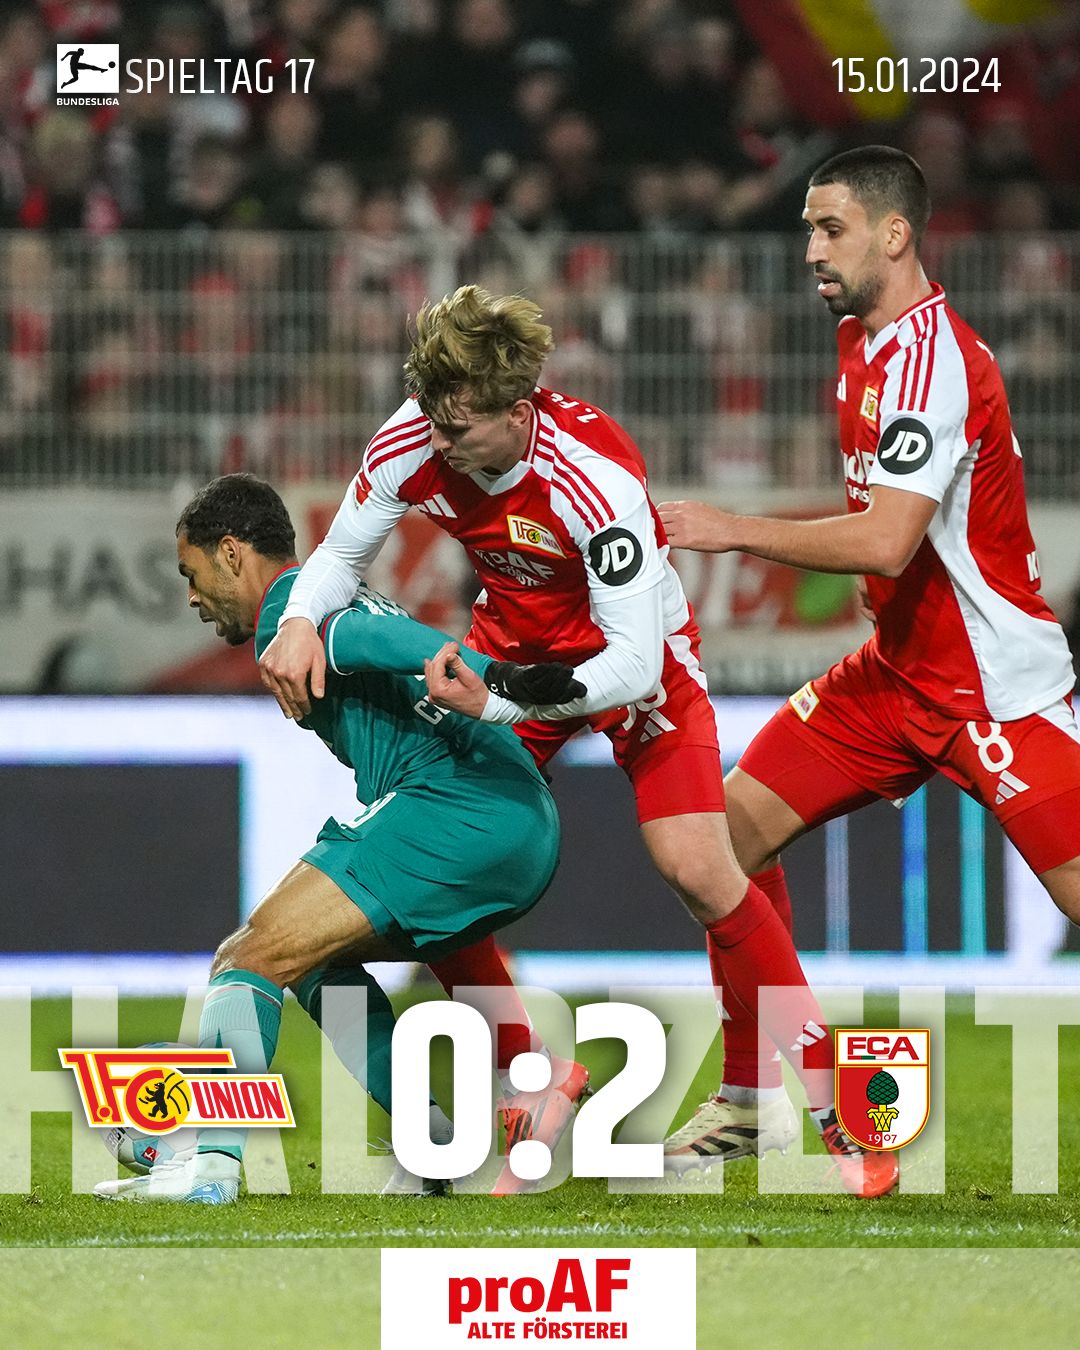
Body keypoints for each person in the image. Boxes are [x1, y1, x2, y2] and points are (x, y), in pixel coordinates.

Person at [257, 285, 897, 1196]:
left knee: (699, 867)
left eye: (460, 428)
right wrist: (299, 623)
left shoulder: (593, 477)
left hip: (631, 666)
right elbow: (340, 555)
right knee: (442, 851)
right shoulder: (415, 435)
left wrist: (497, 703)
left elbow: (632, 664)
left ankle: (837, 1107)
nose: (439, 441)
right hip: (509, 656)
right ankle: (531, 1079)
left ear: (519, 413)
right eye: (432, 420)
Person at [659, 145, 1080, 1118]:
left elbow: (888, 541)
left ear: (895, 235)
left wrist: (731, 529)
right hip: (893, 679)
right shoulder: (861, 342)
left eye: (830, 228)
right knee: (722, 843)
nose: (812, 249)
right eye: (809, 229)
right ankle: (754, 1095)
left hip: (995, 690)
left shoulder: (934, 363)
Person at [95, 472, 583, 1203]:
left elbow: (365, 638)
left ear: (231, 553)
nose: (192, 598)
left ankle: (208, 1169)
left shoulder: (290, 608)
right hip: (514, 815)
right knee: (315, 963)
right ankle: (436, 1143)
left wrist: (495, 675)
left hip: (459, 809)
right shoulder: (334, 590)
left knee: (250, 956)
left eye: (191, 575)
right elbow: (368, 638)